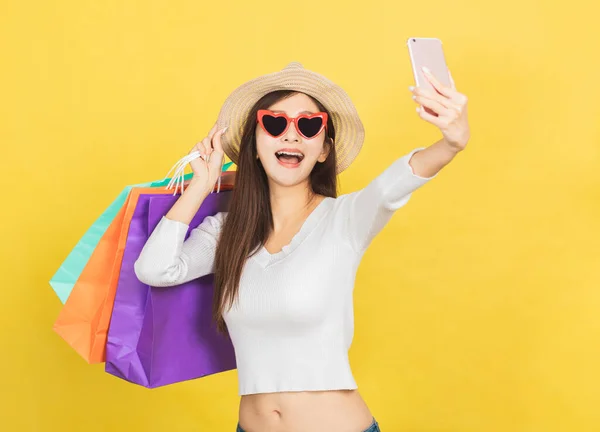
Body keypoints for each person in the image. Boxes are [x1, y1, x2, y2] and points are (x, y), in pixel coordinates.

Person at [134, 62, 470, 432]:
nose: (291, 136)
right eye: (275, 124)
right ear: (255, 147)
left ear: (324, 150)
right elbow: (155, 269)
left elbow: (397, 182)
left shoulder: (346, 219)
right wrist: (202, 183)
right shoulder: (228, 233)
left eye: (308, 126)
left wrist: (451, 142)